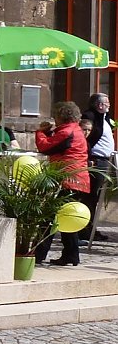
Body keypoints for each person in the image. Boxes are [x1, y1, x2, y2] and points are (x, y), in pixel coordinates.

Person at [34, 101, 91, 266]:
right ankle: (71, 255)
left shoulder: (67, 131)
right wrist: (49, 131)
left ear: (61, 116)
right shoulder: (74, 129)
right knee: (66, 217)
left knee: (50, 216)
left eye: (55, 116)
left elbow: (45, 147)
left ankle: (38, 253)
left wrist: (40, 132)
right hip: (77, 180)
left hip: (69, 180)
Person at [80, 93, 114, 241]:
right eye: (107, 103)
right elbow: (86, 137)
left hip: (106, 160)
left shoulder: (104, 118)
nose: (109, 105)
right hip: (96, 160)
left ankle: (91, 228)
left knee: (96, 197)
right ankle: (85, 229)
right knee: (91, 197)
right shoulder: (89, 117)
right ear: (99, 105)